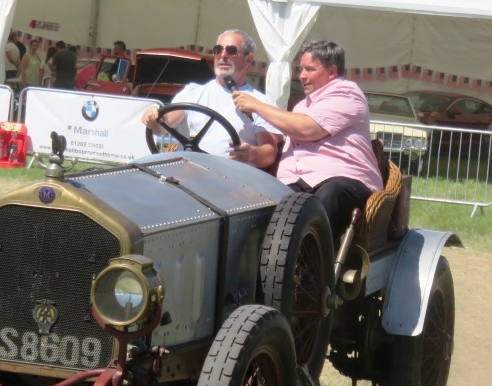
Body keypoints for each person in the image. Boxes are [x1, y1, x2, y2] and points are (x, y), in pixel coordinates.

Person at [232, 39, 383, 238]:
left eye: (310, 69)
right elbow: (288, 132)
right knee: (257, 202)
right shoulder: (302, 106)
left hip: (345, 181)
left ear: (332, 71)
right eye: (301, 69)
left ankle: (309, 255)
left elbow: (306, 128)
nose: (302, 76)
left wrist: (257, 105)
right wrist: (252, 151)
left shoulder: (347, 94)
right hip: (299, 184)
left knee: (326, 196)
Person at [141, 28, 280, 169]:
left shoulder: (261, 103)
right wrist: (155, 117)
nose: (223, 55)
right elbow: (164, 124)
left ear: (248, 59)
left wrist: (251, 154)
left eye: (231, 50)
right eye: (217, 50)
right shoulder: (193, 92)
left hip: (231, 177)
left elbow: (269, 153)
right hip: (186, 174)